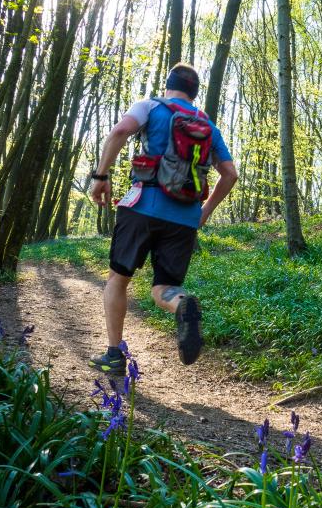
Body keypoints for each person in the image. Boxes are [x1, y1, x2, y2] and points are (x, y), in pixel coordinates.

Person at [89, 62, 238, 376]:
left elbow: (120, 131)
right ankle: (180, 302)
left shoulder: (150, 106)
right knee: (165, 288)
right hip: (184, 218)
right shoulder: (208, 127)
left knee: (118, 279)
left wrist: (100, 175)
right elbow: (230, 174)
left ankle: (115, 355)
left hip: (142, 206)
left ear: (168, 84)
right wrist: (203, 213)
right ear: (194, 93)